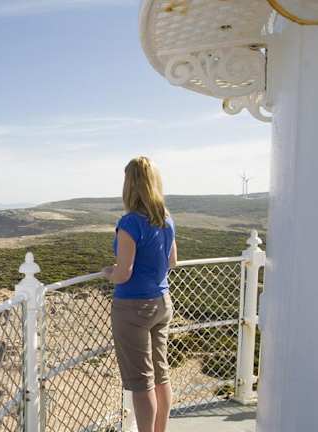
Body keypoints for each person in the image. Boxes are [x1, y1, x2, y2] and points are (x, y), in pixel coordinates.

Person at [102, 156, 177, 432]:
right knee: (160, 376)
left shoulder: (130, 223)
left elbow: (124, 273)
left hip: (133, 308)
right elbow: (172, 262)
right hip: (162, 303)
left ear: (130, 185)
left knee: (141, 382)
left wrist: (109, 273)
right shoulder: (166, 219)